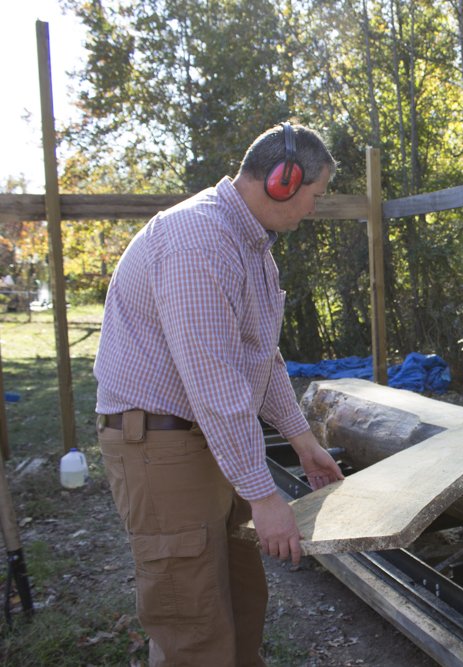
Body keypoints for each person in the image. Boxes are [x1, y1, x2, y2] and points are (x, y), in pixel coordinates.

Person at [94, 122, 345, 666]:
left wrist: (303, 442)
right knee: (194, 626)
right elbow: (213, 379)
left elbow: (259, 357)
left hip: (206, 440)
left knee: (240, 601)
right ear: (283, 181)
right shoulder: (199, 240)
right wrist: (263, 495)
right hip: (162, 447)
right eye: (316, 194)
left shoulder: (250, 245)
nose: (314, 208)